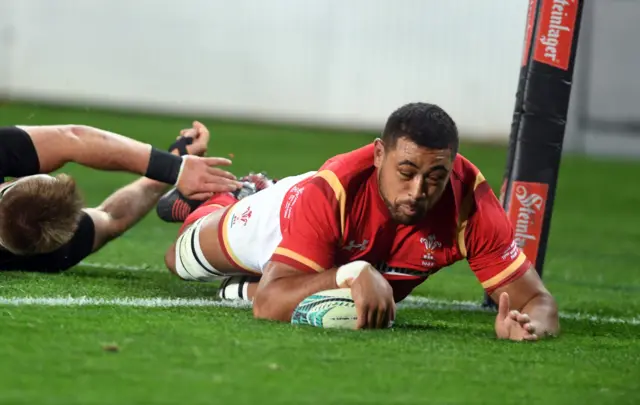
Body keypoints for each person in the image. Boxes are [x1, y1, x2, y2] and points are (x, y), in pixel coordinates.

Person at [160, 103, 559, 341]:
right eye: (406, 171)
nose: (419, 190)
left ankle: (245, 285)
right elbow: (269, 305)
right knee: (181, 259)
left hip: (322, 258)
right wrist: (351, 271)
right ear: (379, 155)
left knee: (324, 294)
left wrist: (530, 328)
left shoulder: (470, 203)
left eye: (435, 177)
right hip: (283, 215)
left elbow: (538, 302)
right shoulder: (333, 190)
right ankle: (227, 196)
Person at [0, 121, 241, 272]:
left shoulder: (41, 249)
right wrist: (172, 168)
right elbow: (71, 138)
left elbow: (72, 141)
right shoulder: (50, 253)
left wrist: (175, 166)